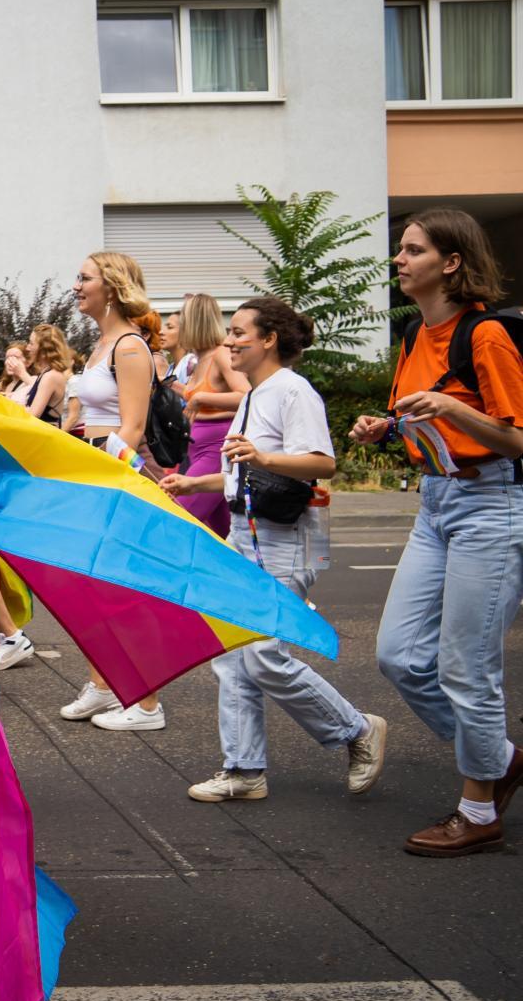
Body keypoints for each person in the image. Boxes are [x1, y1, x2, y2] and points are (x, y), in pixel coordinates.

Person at [162, 297, 387, 802]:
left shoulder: (292, 391)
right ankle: (244, 770)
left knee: (262, 654)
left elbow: (321, 464)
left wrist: (261, 454)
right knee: (234, 653)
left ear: (269, 340)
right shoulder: (255, 394)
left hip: (289, 535)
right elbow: (248, 471)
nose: (230, 341)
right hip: (249, 530)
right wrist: (192, 483)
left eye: (240, 332)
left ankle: (356, 729)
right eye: (229, 333)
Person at [351, 208, 523, 856]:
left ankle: (478, 812)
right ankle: (499, 758)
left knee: (466, 666)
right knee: (399, 654)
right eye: (400, 249)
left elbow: (513, 438)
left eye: (413, 250)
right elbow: (426, 420)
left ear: (450, 264)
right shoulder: (414, 337)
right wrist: (388, 428)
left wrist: (450, 406)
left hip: (492, 504)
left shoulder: (485, 336)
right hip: (437, 503)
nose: (399, 259)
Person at [58, 251, 169, 731]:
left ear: (112, 285)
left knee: (124, 589)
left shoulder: (128, 346)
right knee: (91, 587)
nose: (76, 285)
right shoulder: (102, 344)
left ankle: (148, 704)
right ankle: (104, 686)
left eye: (84, 278)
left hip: (113, 475)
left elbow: (134, 426)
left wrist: (102, 473)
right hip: (91, 469)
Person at [174, 293, 248, 537]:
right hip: (198, 452)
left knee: (177, 519)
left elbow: (247, 396)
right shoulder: (199, 360)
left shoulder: (220, 355)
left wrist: (201, 398)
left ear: (194, 323)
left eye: (182, 321)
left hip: (215, 451)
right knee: (224, 535)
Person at [22, 324, 72, 425]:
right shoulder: (45, 373)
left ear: (43, 349)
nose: (27, 348)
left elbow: (33, 415)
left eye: (31, 343)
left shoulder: (51, 376)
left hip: (43, 439)